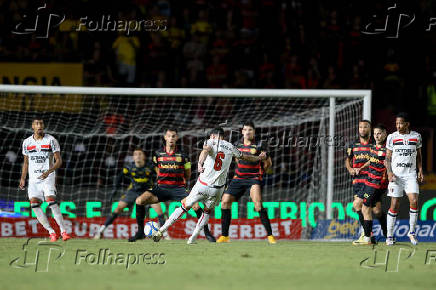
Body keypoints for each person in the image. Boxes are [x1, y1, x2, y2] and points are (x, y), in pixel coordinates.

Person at [152, 127, 267, 244]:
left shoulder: (210, 142)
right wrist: (259, 157)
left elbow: (205, 151)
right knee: (206, 212)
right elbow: (246, 157)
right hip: (217, 190)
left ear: (213, 136)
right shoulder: (231, 147)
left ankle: (161, 230)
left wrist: (199, 163)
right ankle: (192, 238)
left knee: (184, 207)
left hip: (202, 185)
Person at [128, 128, 216, 242]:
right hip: (161, 188)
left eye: (173, 136)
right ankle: (140, 232)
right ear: (165, 137)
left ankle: (207, 233)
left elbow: (188, 174)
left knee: (196, 206)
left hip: (178, 189)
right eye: (169, 136)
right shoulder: (158, 154)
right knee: (139, 201)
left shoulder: (183, 155)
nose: (171, 138)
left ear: (177, 138)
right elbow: (157, 170)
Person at [216, 121, 275, 244]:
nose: (247, 132)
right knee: (225, 202)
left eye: (250, 130)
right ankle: (225, 236)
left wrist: (262, 171)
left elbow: (268, 163)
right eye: (245, 130)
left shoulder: (260, 144)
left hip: (253, 178)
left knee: (258, 204)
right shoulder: (236, 144)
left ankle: (270, 236)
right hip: (238, 178)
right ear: (242, 131)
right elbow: (237, 160)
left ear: (254, 131)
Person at [93, 148, 167, 239]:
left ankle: (166, 235)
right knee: (118, 208)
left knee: (159, 210)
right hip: (133, 191)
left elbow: (161, 176)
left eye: (140, 154)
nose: (138, 156)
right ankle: (101, 231)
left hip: (147, 191)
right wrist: (114, 190)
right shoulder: (129, 167)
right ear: (133, 157)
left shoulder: (150, 167)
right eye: (135, 154)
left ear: (144, 156)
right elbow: (119, 177)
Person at [20, 118, 71, 242]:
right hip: (33, 179)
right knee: (34, 204)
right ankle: (51, 232)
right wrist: (23, 178)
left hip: (48, 177)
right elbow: (26, 163)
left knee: (50, 201)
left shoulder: (51, 140)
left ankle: (63, 231)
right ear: (33, 126)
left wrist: (48, 171)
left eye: (41, 124)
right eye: (37, 124)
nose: (39, 126)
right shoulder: (27, 142)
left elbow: (59, 161)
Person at [385, 112, 424, 246]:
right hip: (396, 176)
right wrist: (389, 173)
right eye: (396, 123)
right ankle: (389, 235)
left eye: (400, 123)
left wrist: (420, 170)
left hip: (410, 175)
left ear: (407, 124)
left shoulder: (416, 136)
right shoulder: (391, 137)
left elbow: (419, 156)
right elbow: (388, 158)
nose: (398, 126)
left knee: (414, 200)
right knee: (394, 204)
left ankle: (411, 233)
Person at [352, 124, 388, 245]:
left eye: (379, 133)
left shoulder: (387, 150)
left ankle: (368, 237)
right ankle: (369, 235)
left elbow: (389, 165)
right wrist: (361, 167)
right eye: (375, 134)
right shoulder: (373, 147)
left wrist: (390, 176)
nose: (376, 136)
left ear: (385, 134)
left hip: (377, 184)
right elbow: (371, 160)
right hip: (369, 181)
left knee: (367, 208)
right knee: (358, 204)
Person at [345, 120, 372, 244]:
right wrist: (350, 169)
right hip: (357, 181)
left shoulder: (374, 145)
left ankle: (367, 234)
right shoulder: (353, 145)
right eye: (360, 127)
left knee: (362, 206)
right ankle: (367, 234)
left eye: (365, 127)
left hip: (370, 180)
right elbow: (348, 160)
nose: (362, 129)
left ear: (369, 129)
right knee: (361, 208)